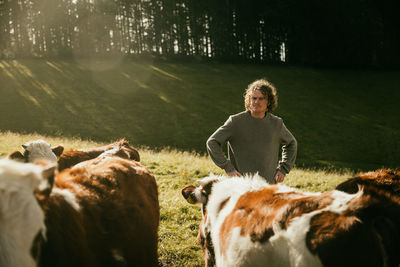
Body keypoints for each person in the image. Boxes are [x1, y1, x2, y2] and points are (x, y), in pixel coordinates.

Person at [206, 79, 297, 184]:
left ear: (269, 101)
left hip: (268, 186)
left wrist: (283, 169)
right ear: (249, 100)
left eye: (261, 99)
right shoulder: (235, 121)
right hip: (241, 185)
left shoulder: (277, 123)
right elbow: (212, 142)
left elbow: (291, 143)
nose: (256, 102)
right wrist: (228, 167)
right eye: (253, 98)